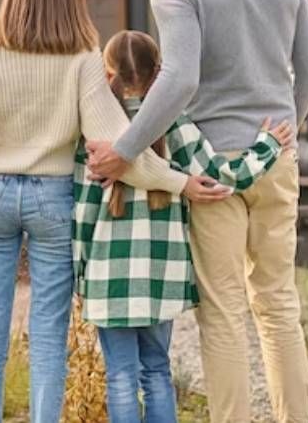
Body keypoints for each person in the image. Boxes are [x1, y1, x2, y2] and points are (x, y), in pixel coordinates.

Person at [0, 0, 229, 423]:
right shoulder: (81, 57)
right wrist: (179, 183)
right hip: (53, 204)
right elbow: (120, 151)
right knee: (48, 333)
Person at [87, 0, 308, 423]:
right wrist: (285, 134)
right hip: (276, 157)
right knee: (278, 303)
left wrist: (126, 151)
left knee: (223, 313)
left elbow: (181, 78)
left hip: (209, 171)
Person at [73, 30, 295, 423]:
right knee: (156, 371)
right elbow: (226, 177)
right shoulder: (175, 122)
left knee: (121, 378)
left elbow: (82, 210)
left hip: (109, 278)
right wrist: (268, 145)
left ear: (107, 74)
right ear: (161, 73)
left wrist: (81, 274)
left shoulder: (94, 128)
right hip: (163, 274)